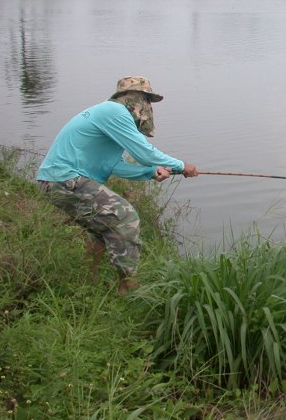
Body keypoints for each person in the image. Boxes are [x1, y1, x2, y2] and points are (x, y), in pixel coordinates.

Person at [36, 76, 199, 295]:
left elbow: (112, 165)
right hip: (65, 179)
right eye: (145, 99)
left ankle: (88, 284)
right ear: (131, 98)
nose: (147, 106)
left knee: (101, 229)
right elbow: (143, 152)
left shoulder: (109, 114)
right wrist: (181, 166)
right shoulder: (115, 112)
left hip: (56, 181)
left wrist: (151, 172)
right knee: (125, 217)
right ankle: (128, 286)